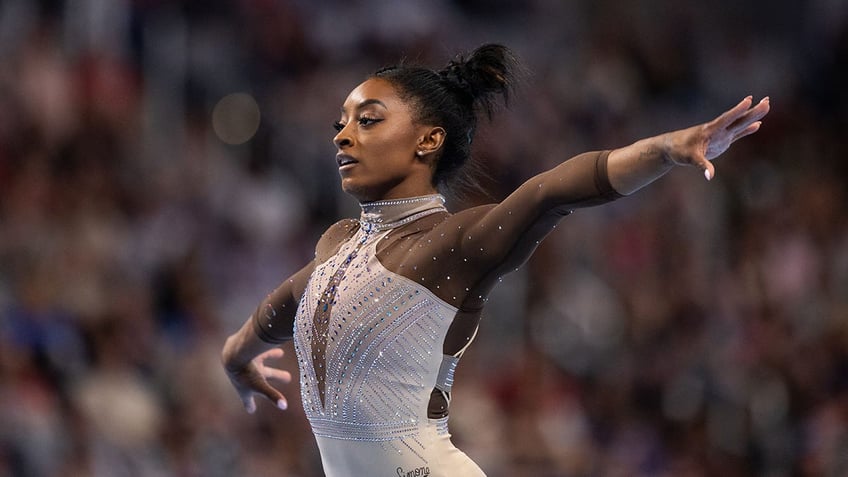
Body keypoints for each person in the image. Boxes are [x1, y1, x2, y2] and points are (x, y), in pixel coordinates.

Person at [221, 43, 770, 476]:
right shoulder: (338, 245)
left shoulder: (450, 246)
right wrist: (237, 354)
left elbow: (553, 190)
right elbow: (283, 307)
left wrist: (668, 148)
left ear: (428, 140)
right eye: (340, 123)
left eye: (367, 120)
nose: (342, 136)